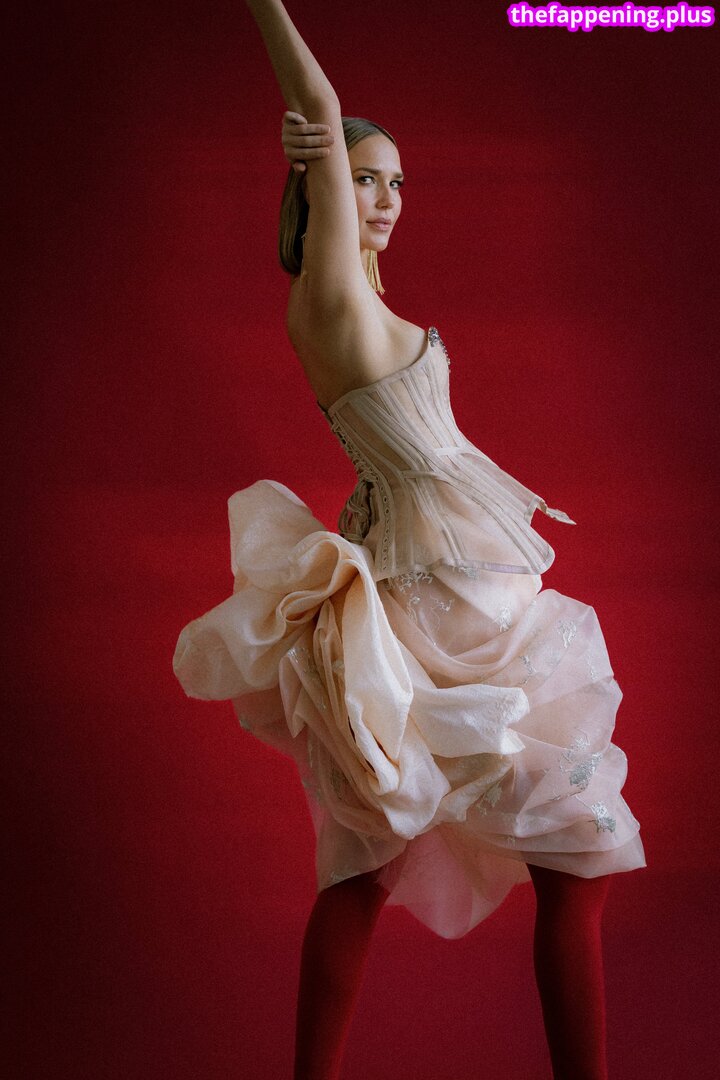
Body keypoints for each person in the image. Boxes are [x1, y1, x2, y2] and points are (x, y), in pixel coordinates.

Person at [173, 2, 646, 1077]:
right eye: (361, 180)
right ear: (316, 186)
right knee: (389, 867)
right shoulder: (330, 295)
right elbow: (320, 101)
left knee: (529, 868)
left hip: (476, 597)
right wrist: (282, 40)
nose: (384, 200)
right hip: (447, 614)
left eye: (396, 182)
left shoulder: (368, 305)